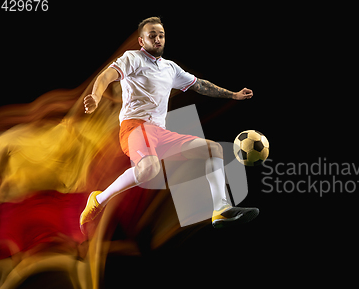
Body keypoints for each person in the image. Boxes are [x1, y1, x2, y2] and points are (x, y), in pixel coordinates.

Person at [79, 17, 258, 235]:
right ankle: (99, 199)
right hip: (135, 128)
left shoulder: (170, 68)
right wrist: (95, 97)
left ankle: (221, 209)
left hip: (160, 133)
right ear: (141, 40)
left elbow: (200, 85)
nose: (157, 39)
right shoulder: (132, 58)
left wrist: (233, 95)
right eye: (151, 35)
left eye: (161, 35)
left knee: (213, 149)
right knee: (149, 170)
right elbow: (107, 75)